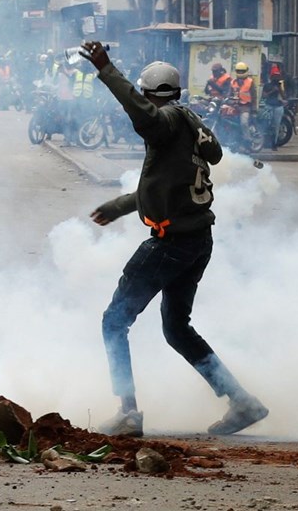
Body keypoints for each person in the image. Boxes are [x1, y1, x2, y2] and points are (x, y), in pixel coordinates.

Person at [79, 41, 269, 438]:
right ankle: (242, 401)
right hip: (198, 239)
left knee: (114, 321)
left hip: (170, 244)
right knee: (177, 328)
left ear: (150, 95)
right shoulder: (192, 126)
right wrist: (118, 206)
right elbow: (168, 185)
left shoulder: (163, 124)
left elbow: (144, 116)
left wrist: (106, 69)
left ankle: (128, 412)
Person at [260, 66, 286, 151]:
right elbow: (264, 96)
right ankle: (263, 142)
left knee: (276, 126)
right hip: (269, 106)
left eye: (277, 76)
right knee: (267, 124)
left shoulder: (280, 85)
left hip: (278, 107)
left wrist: (280, 89)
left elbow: (283, 96)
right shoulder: (267, 85)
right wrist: (272, 91)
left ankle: (274, 144)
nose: (276, 78)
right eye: (275, 76)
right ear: (271, 77)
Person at [229, 62, 255, 133]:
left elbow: (254, 96)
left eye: (242, 71)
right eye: (239, 71)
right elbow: (229, 94)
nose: (240, 72)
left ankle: (247, 139)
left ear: (246, 71)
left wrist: (254, 108)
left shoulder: (250, 82)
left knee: (244, 123)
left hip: (245, 107)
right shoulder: (233, 82)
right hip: (234, 106)